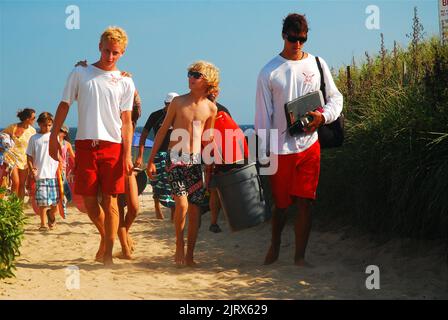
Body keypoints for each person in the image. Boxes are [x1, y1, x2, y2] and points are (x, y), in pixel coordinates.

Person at [255, 13, 343, 266]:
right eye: (293, 38)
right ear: (283, 35)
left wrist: (322, 117)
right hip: (280, 149)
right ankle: (275, 245)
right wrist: (263, 154)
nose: (297, 44)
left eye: (302, 39)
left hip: (310, 145)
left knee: (306, 202)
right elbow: (263, 116)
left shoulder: (317, 63)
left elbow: (336, 98)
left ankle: (300, 257)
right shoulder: (268, 72)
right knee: (281, 206)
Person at [49, 26, 135, 265]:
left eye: (115, 52)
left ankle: (108, 254)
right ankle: (106, 237)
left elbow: (126, 122)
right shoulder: (80, 71)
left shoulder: (126, 82)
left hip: (113, 147)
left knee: (111, 201)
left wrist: (127, 154)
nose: (109, 56)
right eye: (106, 50)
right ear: (99, 47)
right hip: (85, 145)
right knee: (88, 201)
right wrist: (53, 137)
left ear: (122, 52)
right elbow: (64, 104)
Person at [147, 61, 218, 267]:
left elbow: (208, 139)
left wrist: (211, 163)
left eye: (196, 75)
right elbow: (162, 131)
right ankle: (179, 243)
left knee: (195, 210)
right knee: (182, 204)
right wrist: (150, 160)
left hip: (195, 162)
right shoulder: (178, 102)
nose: (191, 77)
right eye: (189, 73)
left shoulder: (211, 108)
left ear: (207, 81)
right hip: (175, 158)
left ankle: (190, 255)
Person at [135, 93, 177, 220]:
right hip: (158, 153)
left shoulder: (180, 115)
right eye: (171, 105)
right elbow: (143, 135)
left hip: (175, 154)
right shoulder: (156, 115)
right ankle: (157, 206)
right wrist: (140, 156)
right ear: (166, 104)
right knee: (156, 182)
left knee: (173, 182)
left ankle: (174, 212)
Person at [26, 112, 60, 231]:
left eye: (50, 125)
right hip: (40, 175)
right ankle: (43, 224)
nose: (48, 127)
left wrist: (61, 167)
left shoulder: (54, 137)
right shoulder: (34, 138)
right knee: (43, 202)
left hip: (53, 175)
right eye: (45, 125)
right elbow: (29, 156)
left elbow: (59, 154)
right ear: (39, 124)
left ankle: (51, 213)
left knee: (54, 203)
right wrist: (31, 169)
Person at [2, 108, 36, 199]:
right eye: (33, 118)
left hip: (24, 160)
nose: (35, 120)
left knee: (22, 184)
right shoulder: (13, 127)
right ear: (27, 118)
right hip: (11, 158)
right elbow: (2, 135)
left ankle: (19, 207)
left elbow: (34, 146)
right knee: (16, 182)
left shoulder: (32, 131)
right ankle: (13, 206)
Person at [58, 125, 75, 205]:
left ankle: (67, 198)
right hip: (52, 167)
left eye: (61, 130)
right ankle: (62, 201)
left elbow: (73, 157)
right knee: (58, 185)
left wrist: (76, 167)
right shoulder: (52, 142)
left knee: (63, 183)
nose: (58, 131)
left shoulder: (67, 144)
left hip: (62, 167)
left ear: (65, 134)